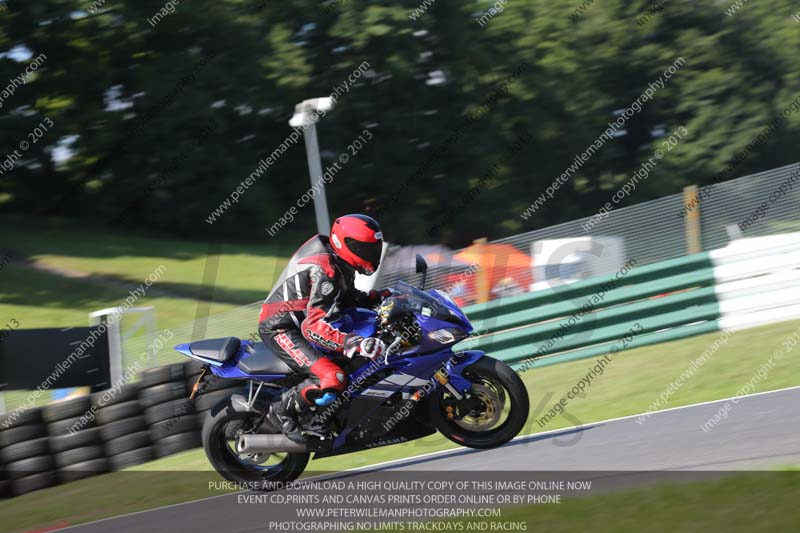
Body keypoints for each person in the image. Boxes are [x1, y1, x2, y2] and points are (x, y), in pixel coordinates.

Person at [260, 214, 391, 443]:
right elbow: (313, 327)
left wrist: (381, 297)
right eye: (363, 248)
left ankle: (330, 416)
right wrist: (353, 342)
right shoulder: (326, 270)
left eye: (373, 248)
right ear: (345, 243)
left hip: (301, 323)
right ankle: (281, 412)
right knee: (334, 376)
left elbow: (347, 297)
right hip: (281, 328)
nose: (370, 254)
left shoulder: (339, 260)